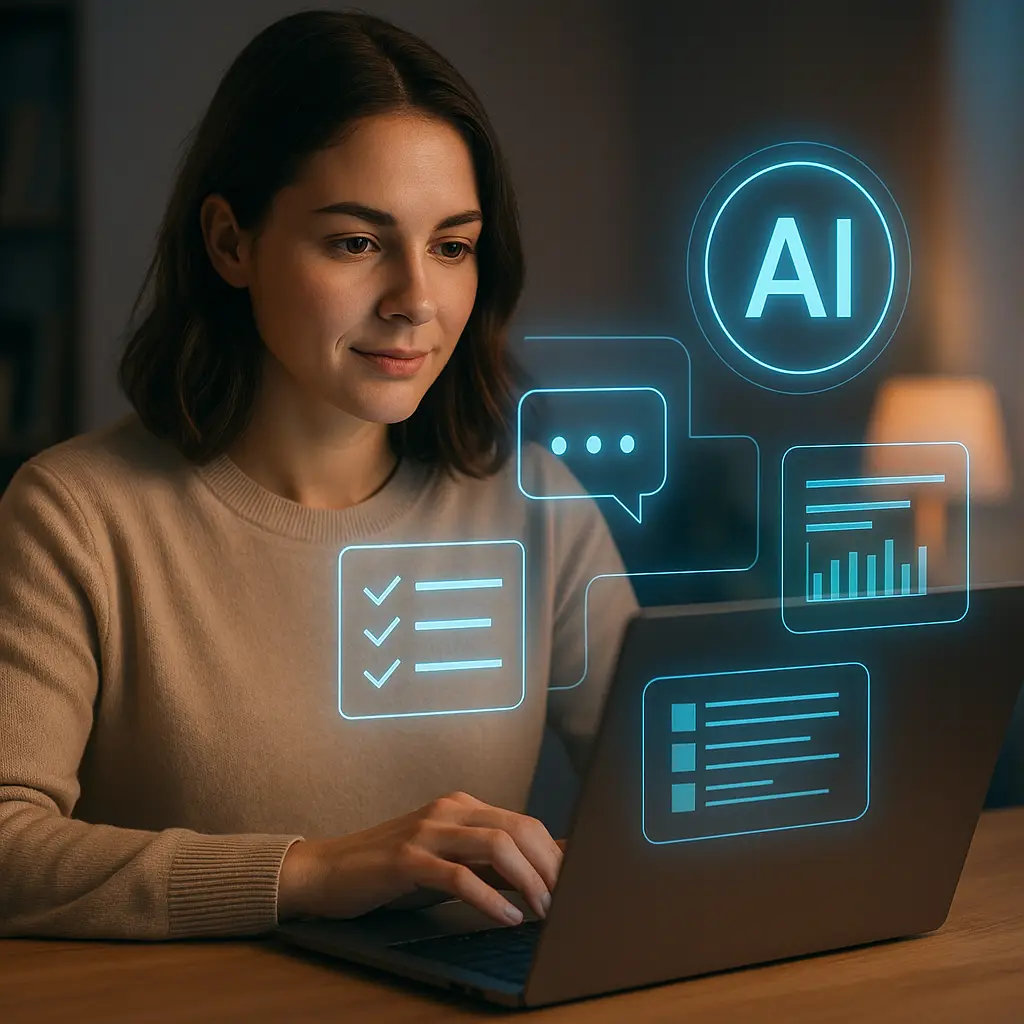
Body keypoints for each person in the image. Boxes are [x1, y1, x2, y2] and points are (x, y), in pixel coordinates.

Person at [0, 8, 636, 940]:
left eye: (452, 245)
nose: (417, 298)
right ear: (231, 244)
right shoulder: (77, 515)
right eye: (356, 242)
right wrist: (308, 871)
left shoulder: (538, 507)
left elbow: (674, 794)